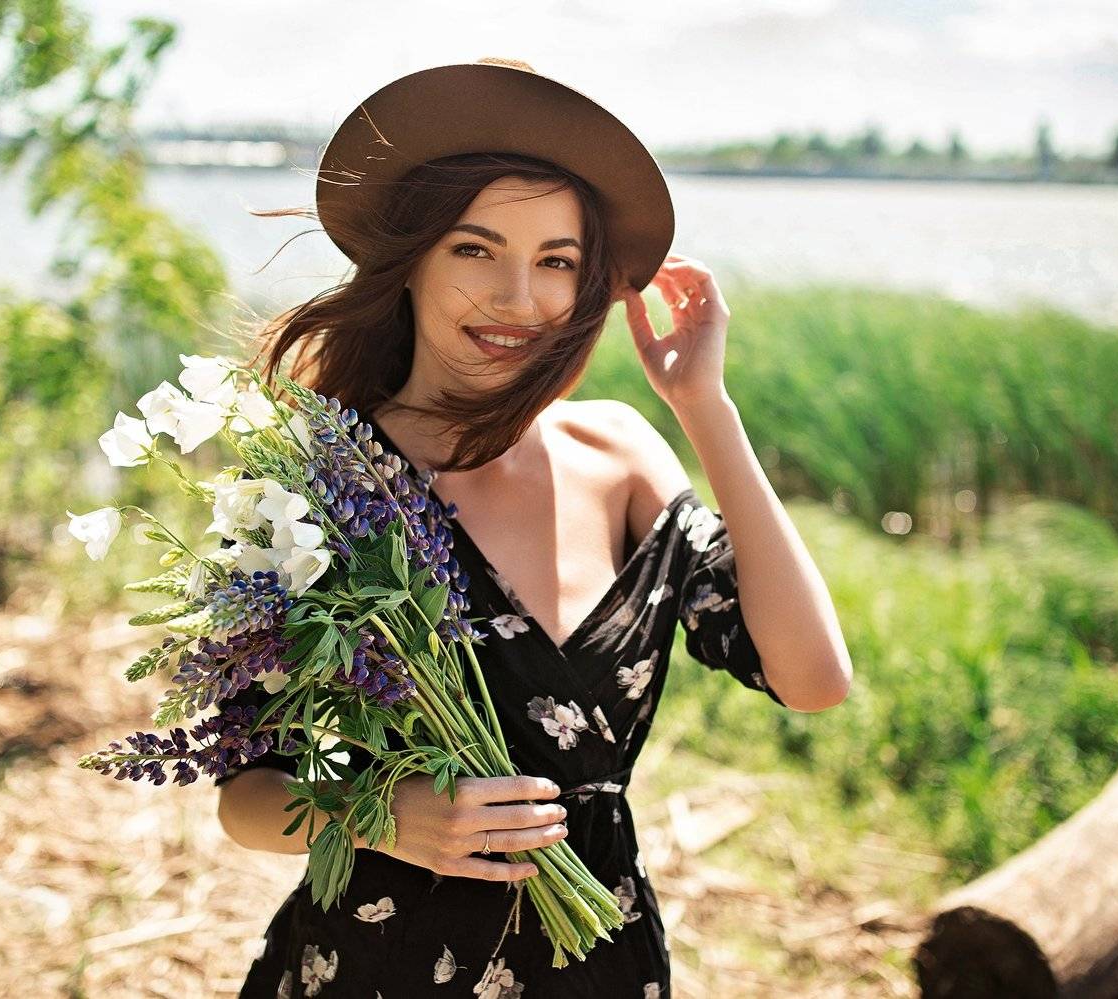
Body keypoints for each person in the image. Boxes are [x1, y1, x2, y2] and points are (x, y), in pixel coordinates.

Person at [215, 57, 852, 997]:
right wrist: (382, 816)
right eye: (476, 250)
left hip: (597, 960)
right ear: (413, 262)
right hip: (377, 965)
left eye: (556, 261)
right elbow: (243, 798)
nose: (520, 299)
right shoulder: (321, 480)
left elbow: (812, 679)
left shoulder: (621, 453)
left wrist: (706, 407)